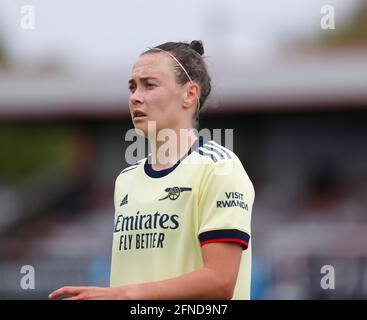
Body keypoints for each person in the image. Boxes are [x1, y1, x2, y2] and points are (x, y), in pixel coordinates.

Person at [49, 40, 255, 300]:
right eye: (132, 87)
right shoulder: (126, 179)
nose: (135, 96)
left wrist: (124, 295)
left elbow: (220, 281)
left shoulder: (220, 168)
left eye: (150, 85)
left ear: (190, 94)